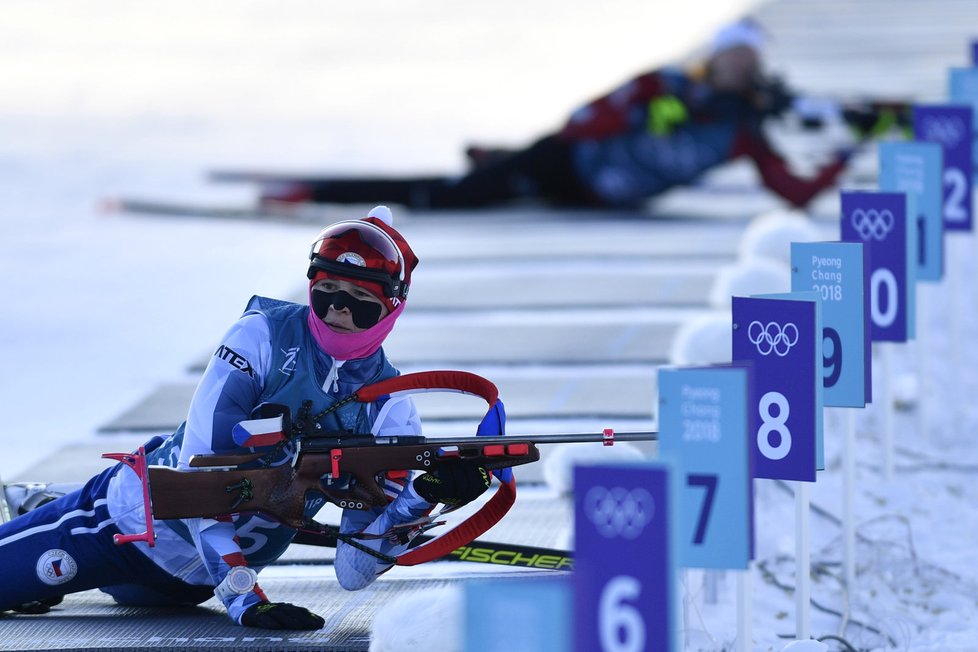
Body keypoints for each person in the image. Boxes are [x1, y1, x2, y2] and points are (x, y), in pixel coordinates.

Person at [0, 206, 491, 629]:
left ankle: (40, 505)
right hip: (115, 527)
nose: (339, 310)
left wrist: (423, 499)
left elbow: (353, 569)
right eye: (327, 290)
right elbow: (200, 472)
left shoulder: (391, 410)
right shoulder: (259, 338)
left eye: (361, 301)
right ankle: (49, 513)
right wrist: (243, 597)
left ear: (392, 307)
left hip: (187, 590)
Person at [260, 19, 855, 212]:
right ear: (716, 59)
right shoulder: (668, 86)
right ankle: (316, 189)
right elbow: (582, 121)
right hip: (567, 161)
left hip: (600, 196)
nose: (742, 72)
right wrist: (659, 114)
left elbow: (791, 190)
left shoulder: (743, 131)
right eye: (734, 59)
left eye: (751, 63)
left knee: (501, 183)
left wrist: (839, 164)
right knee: (449, 197)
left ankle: (500, 163)